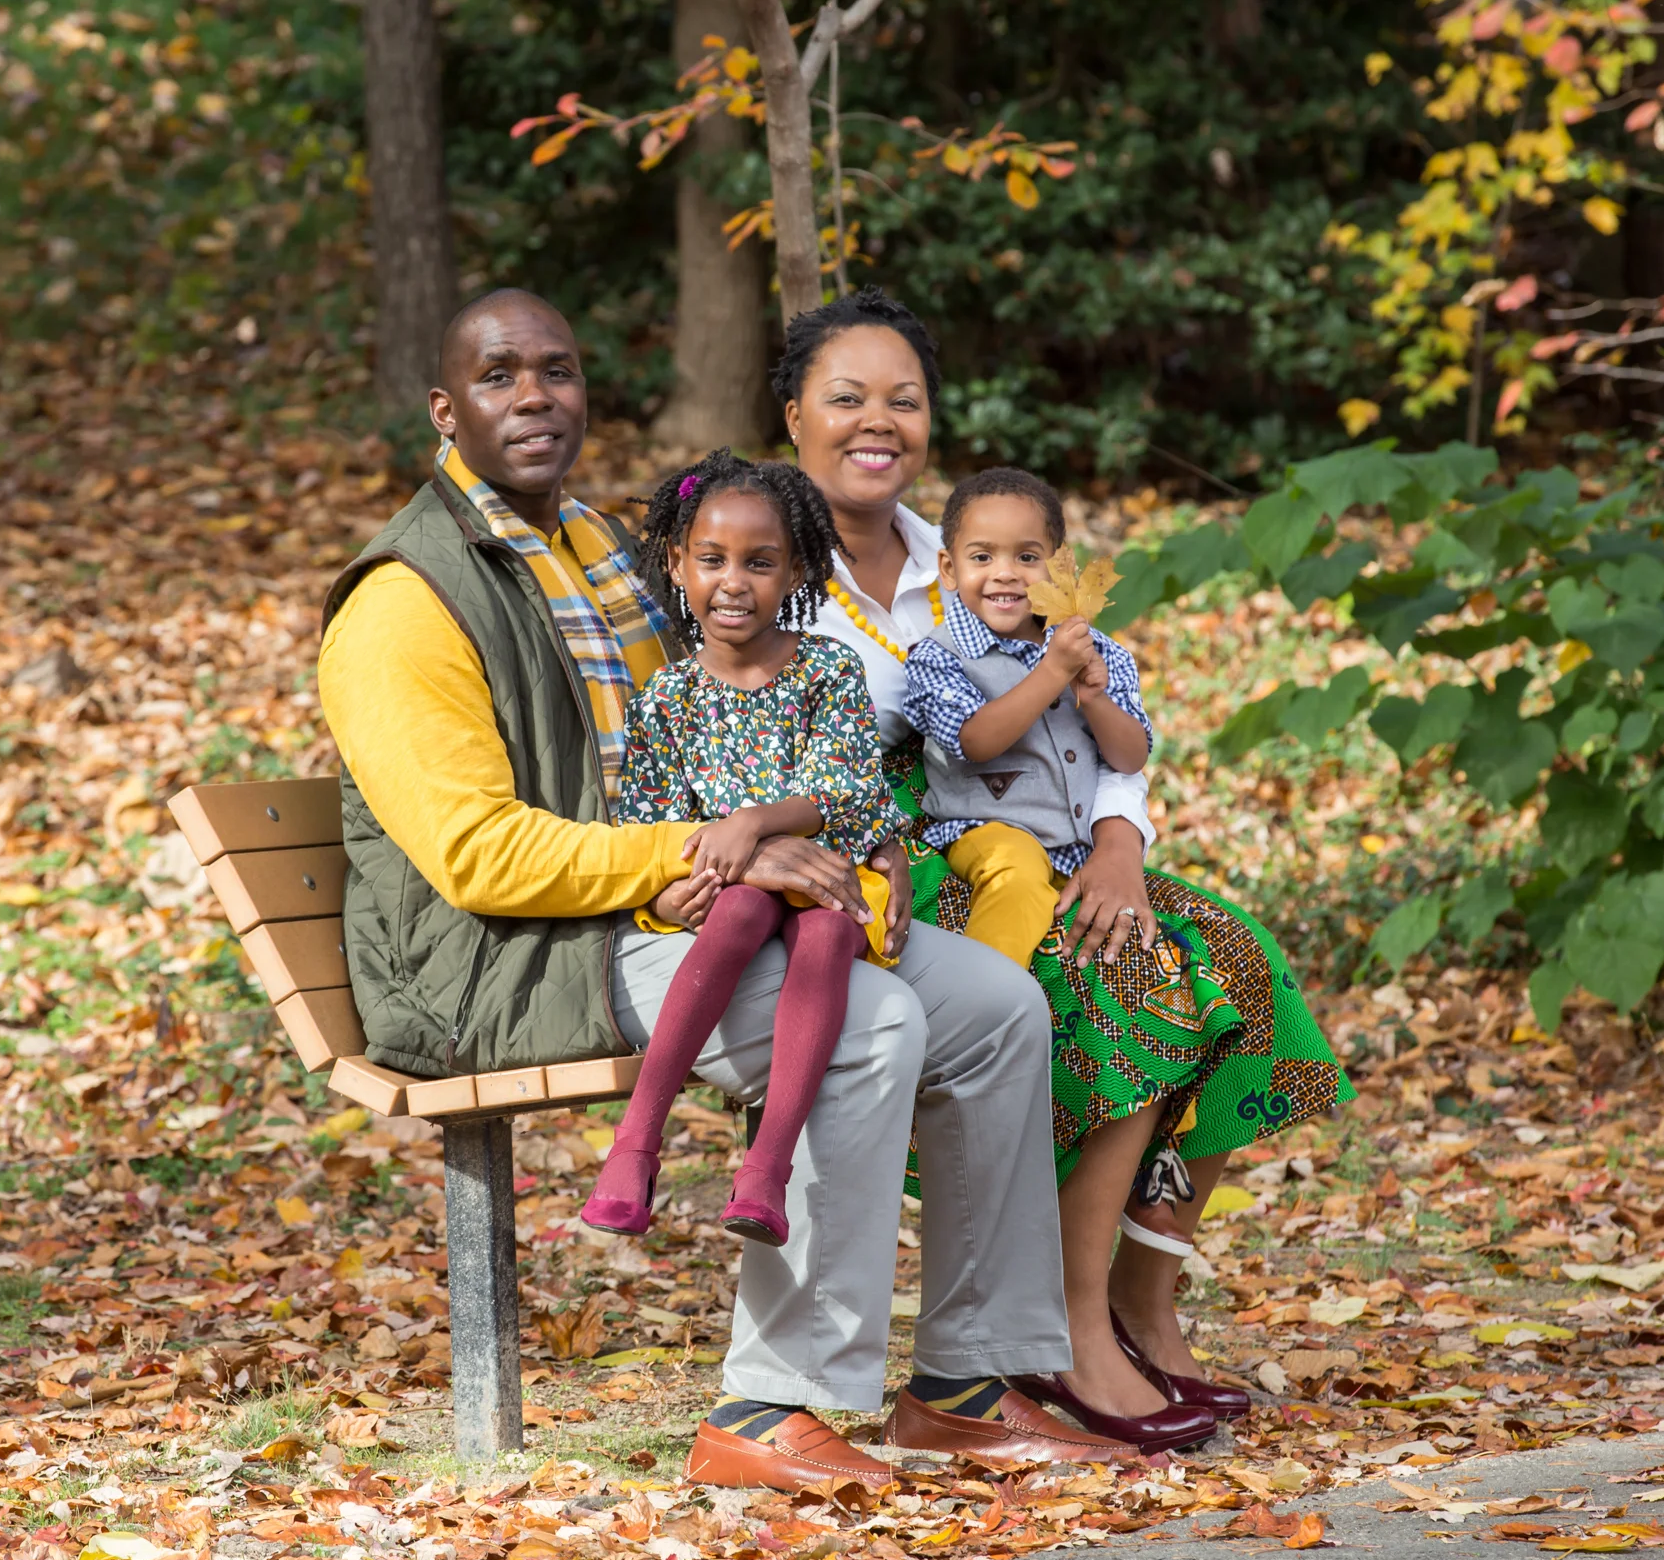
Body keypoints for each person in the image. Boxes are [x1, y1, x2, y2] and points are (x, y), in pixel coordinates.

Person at [319, 286, 1150, 1487]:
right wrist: (716, 851)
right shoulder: (407, 599)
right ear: (446, 409)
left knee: (997, 1009)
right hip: (513, 953)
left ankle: (964, 1381)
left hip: (692, 898)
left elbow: (741, 719)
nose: (537, 395)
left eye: (558, 369)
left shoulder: (608, 546)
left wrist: (851, 846)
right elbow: (479, 855)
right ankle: (769, 1407)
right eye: (501, 377)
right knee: (874, 1023)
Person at [785, 285, 1355, 1446]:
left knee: (1235, 956)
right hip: (894, 861)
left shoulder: (979, 549)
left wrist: (1119, 843)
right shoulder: (766, 567)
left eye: (904, 398)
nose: (876, 420)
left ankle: (1141, 1299)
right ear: (793, 416)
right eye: (846, 398)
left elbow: (1103, 722)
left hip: (1054, 842)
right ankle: (1065, 1334)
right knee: (1130, 984)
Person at [583, 451, 907, 1248]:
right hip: (735, 895)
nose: (734, 582)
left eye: (760, 564)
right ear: (677, 563)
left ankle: (767, 1167)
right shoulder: (670, 696)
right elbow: (653, 822)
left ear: (796, 567)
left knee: (828, 930)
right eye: (713, 560)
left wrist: (752, 821)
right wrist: (664, 894)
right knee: (740, 904)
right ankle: (635, 1144)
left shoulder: (826, 668)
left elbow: (841, 788)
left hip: (833, 871)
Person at [901, 468, 1153, 970]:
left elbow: (1130, 757)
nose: (1006, 572)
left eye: (1027, 557)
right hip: (990, 829)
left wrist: (1094, 697)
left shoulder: (1097, 651)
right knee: (1014, 875)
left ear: (1060, 567)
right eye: (982, 557)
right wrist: (1052, 671)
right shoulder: (939, 656)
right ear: (948, 570)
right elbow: (975, 740)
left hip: (1077, 845)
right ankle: (977, 1006)